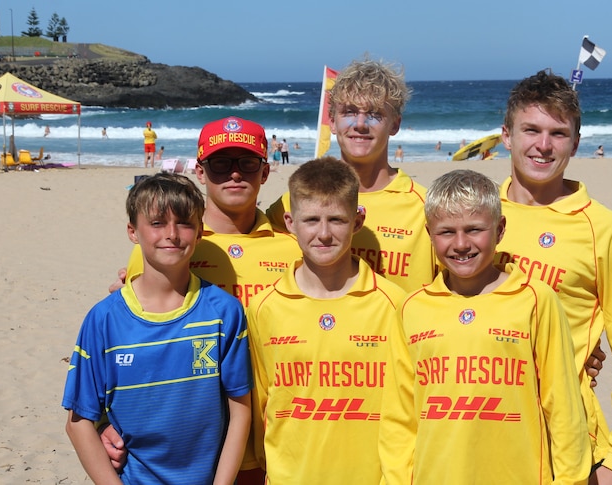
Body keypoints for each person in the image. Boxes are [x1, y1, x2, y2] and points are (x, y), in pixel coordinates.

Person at [102, 116, 302, 484]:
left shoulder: (292, 249)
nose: (235, 175)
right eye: (221, 164)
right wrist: (105, 422)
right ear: (199, 169)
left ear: (266, 171)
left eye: (247, 163)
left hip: (276, 436)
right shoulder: (171, 246)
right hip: (190, 445)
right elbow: (125, 341)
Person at [495, 69, 612, 484]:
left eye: (558, 133)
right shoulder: (473, 218)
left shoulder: (603, 228)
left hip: (565, 445)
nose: (543, 145)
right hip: (479, 434)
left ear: (576, 143)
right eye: (530, 129)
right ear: (506, 134)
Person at [379, 169, 590, 484]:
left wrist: (571, 480)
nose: (461, 244)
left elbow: (562, 407)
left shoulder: (534, 299)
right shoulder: (413, 309)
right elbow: (399, 419)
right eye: (446, 232)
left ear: (500, 229)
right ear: (429, 233)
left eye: (474, 229)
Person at [62, 172, 252, 485]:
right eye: (157, 223)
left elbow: (240, 413)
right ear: (133, 232)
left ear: (200, 232)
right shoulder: (104, 320)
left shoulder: (223, 312)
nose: (172, 234)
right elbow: (78, 422)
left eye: (185, 223)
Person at [247, 157, 405, 484]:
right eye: (311, 220)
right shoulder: (264, 307)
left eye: (336, 219)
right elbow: (260, 406)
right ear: (290, 222)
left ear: (357, 221)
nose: (323, 233)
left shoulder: (394, 305)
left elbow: (405, 411)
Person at [267, 57, 437, 292]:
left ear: (395, 125)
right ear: (332, 122)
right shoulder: (295, 200)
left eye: (375, 114)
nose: (360, 124)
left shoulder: (426, 208)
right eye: (349, 112)